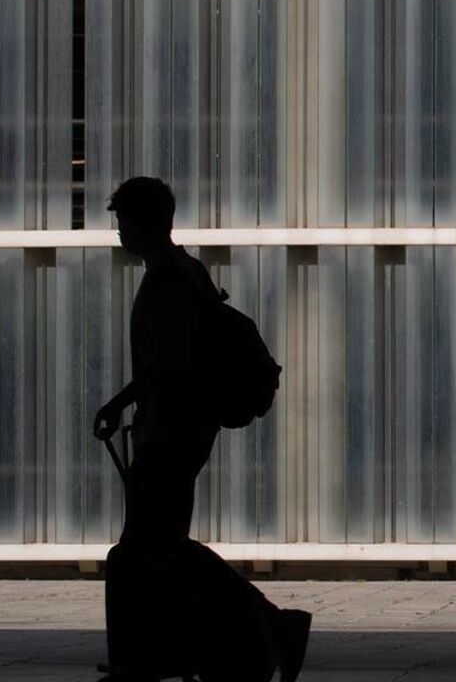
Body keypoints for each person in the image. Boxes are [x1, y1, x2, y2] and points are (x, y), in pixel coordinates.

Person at [92, 176, 309, 682]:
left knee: (152, 547)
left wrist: (118, 402)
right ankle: (156, 655)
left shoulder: (169, 278)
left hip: (170, 432)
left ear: (146, 223)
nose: (120, 233)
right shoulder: (186, 269)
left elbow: (168, 361)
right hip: (182, 429)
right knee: (152, 549)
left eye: (124, 222)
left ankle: (274, 627)